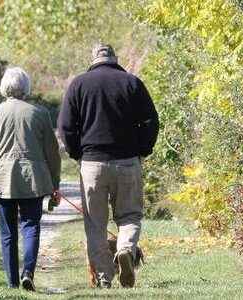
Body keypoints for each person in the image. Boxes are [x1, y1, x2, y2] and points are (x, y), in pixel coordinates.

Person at [58, 43, 159, 288]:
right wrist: (142, 149)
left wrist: (77, 154)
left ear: (93, 60)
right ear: (115, 59)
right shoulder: (132, 83)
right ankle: (125, 249)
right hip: (127, 162)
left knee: (95, 223)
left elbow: (66, 127)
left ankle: (104, 279)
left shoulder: (79, 84)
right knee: (130, 215)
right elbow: (151, 121)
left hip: (92, 163)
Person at [0, 67, 61, 291]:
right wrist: (55, 184)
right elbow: (53, 153)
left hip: (3, 181)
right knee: (31, 226)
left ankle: (12, 283)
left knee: (8, 232)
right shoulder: (39, 114)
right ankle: (28, 272)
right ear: (26, 87)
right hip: (33, 181)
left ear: (4, 87)